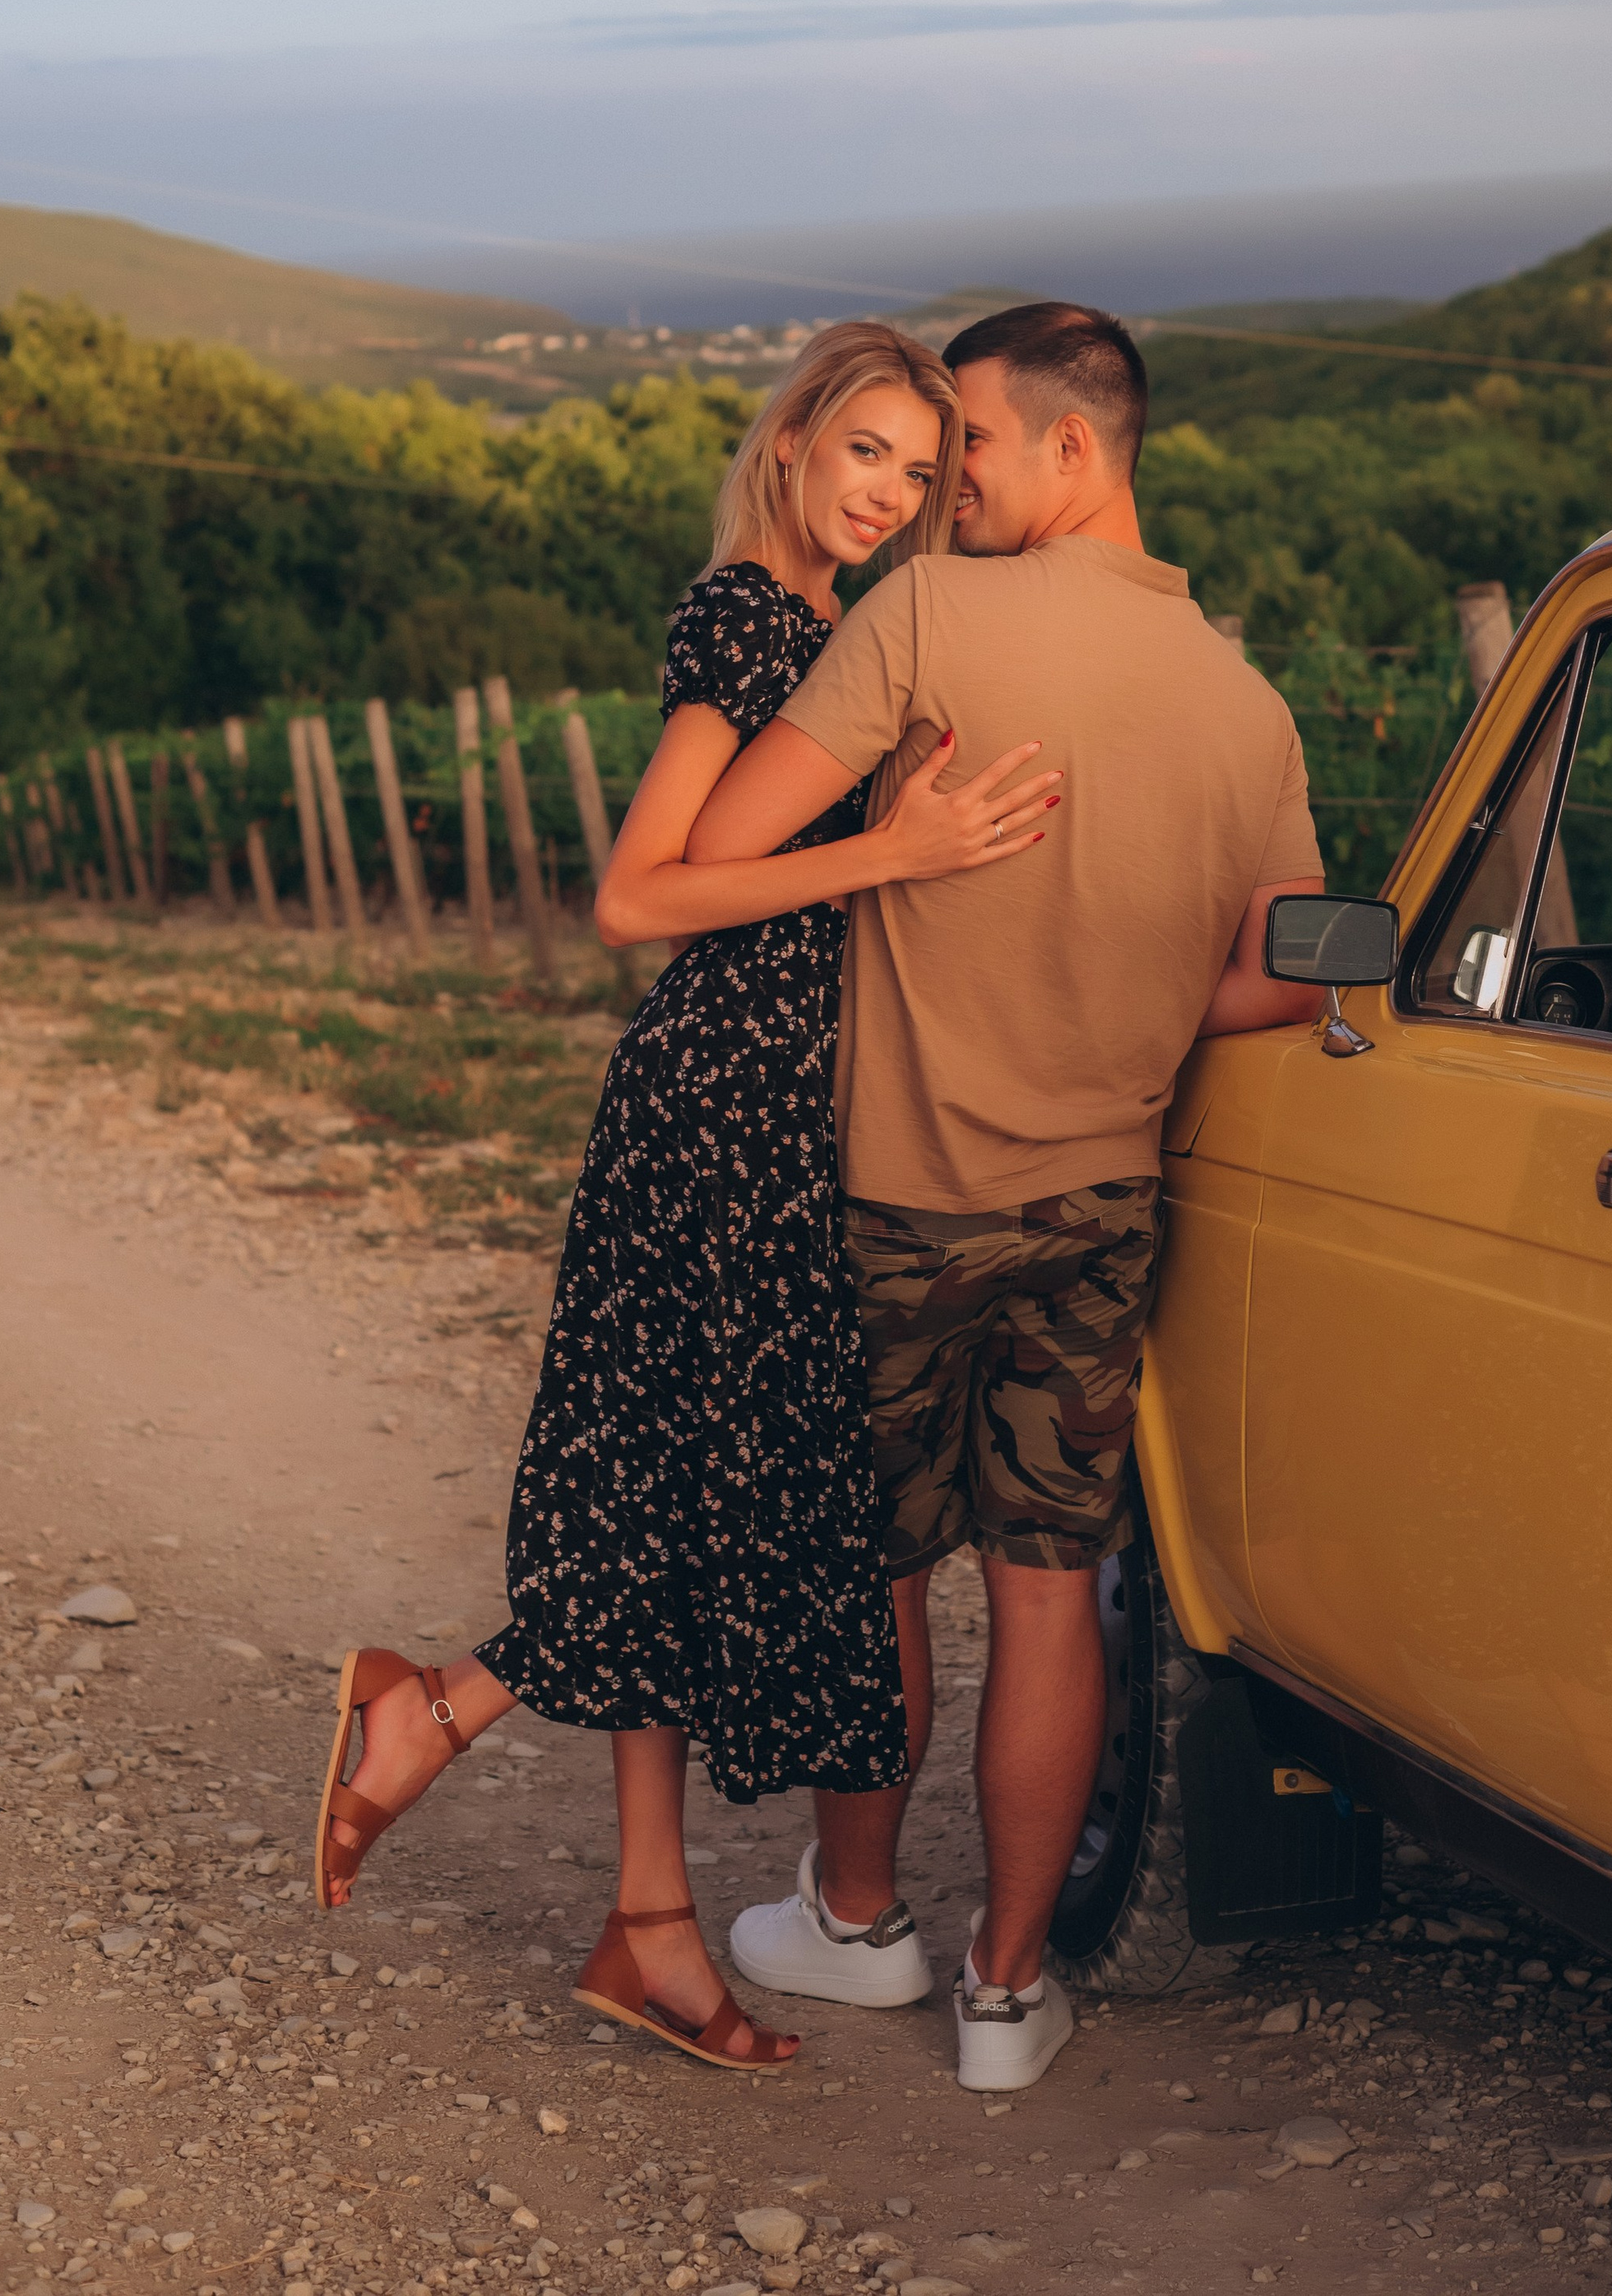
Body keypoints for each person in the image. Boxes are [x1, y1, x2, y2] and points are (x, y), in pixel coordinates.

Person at [310, 320, 1061, 2076]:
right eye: (864, 449)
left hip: (768, 1106)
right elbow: (638, 897)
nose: (890, 490)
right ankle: (422, 1713)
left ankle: (650, 1925)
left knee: (666, 1477)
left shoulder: (830, 631)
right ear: (792, 444)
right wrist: (899, 846)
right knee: (702, 1504)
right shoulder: (746, 620)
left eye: (919, 465)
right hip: (719, 1104)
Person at [688, 300, 1327, 2090]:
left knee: (884, 1568)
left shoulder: (928, 616)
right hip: (1098, 1208)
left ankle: (863, 1922)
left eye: (969, 439)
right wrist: (1128, 1006)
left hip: (891, 1201)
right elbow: (1287, 974)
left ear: (1074, 447)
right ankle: (1001, 1991)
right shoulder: (1240, 701)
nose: (947, 473)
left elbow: (723, 851)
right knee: (1048, 1587)